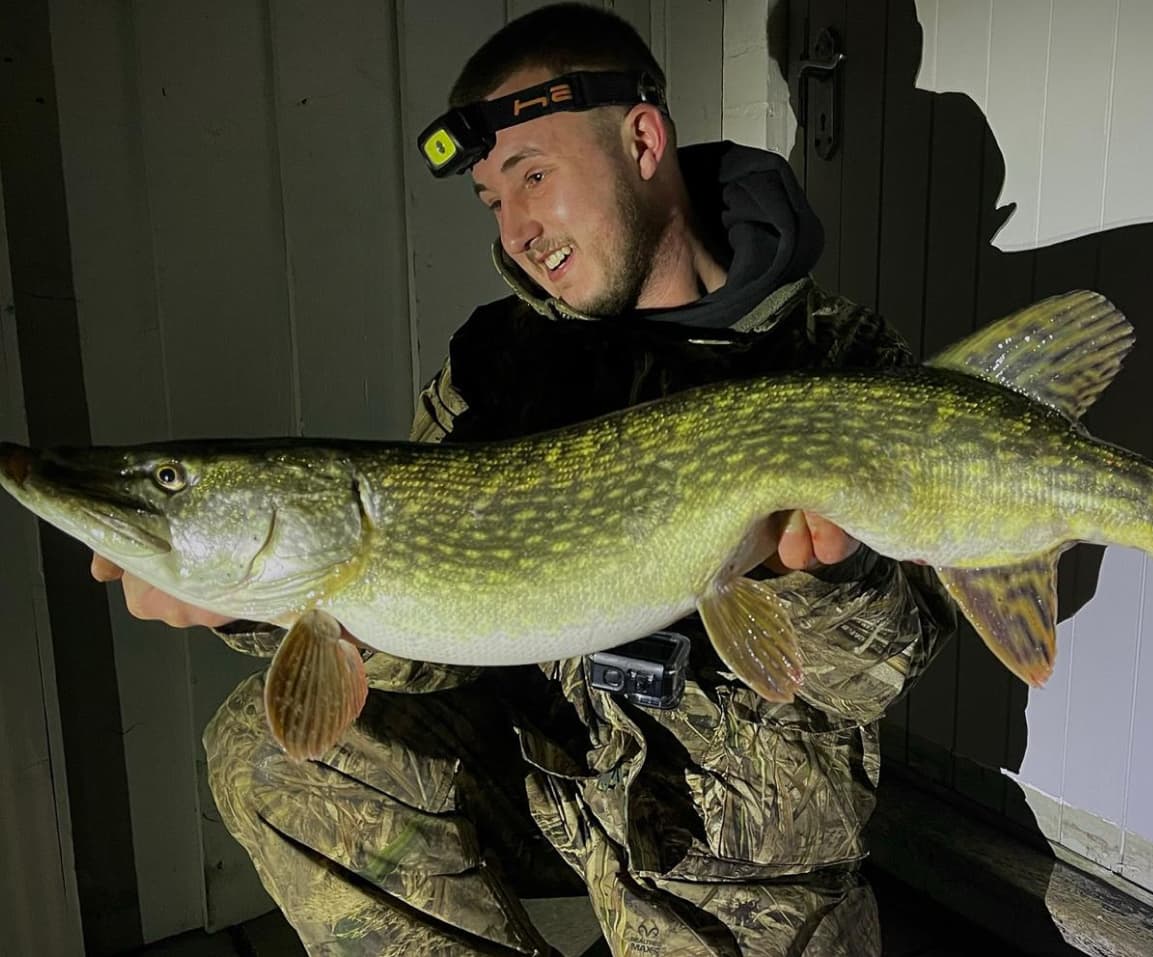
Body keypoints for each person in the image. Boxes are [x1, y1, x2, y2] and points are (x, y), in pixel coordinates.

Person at [91, 5, 959, 954]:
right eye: (492, 202)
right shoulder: (493, 368)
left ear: (641, 139)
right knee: (271, 754)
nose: (517, 230)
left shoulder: (836, 357)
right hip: (549, 780)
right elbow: (429, 639)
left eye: (533, 176)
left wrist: (819, 580)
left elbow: (888, 666)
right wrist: (257, 601)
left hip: (737, 841)